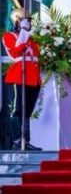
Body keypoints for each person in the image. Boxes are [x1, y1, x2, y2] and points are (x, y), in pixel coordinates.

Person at [3, 8, 42, 150]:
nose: (29, 23)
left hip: (34, 74)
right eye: (26, 20)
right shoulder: (9, 36)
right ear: (18, 21)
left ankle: (26, 139)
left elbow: (37, 53)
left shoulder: (31, 37)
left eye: (30, 21)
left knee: (28, 110)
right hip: (21, 73)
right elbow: (16, 51)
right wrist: (24, 31)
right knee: (20, 108)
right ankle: (17, 139)